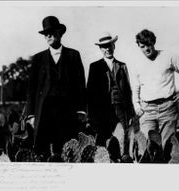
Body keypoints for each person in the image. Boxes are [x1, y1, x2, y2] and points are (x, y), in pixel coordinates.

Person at [26, 16, 86, 158]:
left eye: (51, 32)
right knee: (43, 152)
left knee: (67, 151)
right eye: (45, 33)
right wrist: (32, 115)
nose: (48, 35)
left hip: (67, 112)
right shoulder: (38, 59)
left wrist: (82, 110)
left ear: (60, 33)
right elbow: (31, 89)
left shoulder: (73, 55)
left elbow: (80, 85)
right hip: (44, 113)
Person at [132, 29, 179, 160]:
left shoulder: (168, 56)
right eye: (142, 46)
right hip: (147, 110)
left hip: (168, 108)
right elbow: (135, 87)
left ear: (153, 42)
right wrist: (137, 106)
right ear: (138, 46)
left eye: (148, 45)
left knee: (168, 147)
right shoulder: (137, 63)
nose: (146, 49)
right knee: (147, 148)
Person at [87, 32, 134, 156]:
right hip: (103, 110)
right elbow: (90, 93)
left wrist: (130, 113)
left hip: (121, 110)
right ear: (100, 49)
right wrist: (91, 115)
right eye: (104, 47)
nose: (107, 49)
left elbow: (128, 91)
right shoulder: (94, 67)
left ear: (114, 46)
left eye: (109, 45)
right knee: (103, 141)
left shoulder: (122, 66)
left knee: (123, 139)